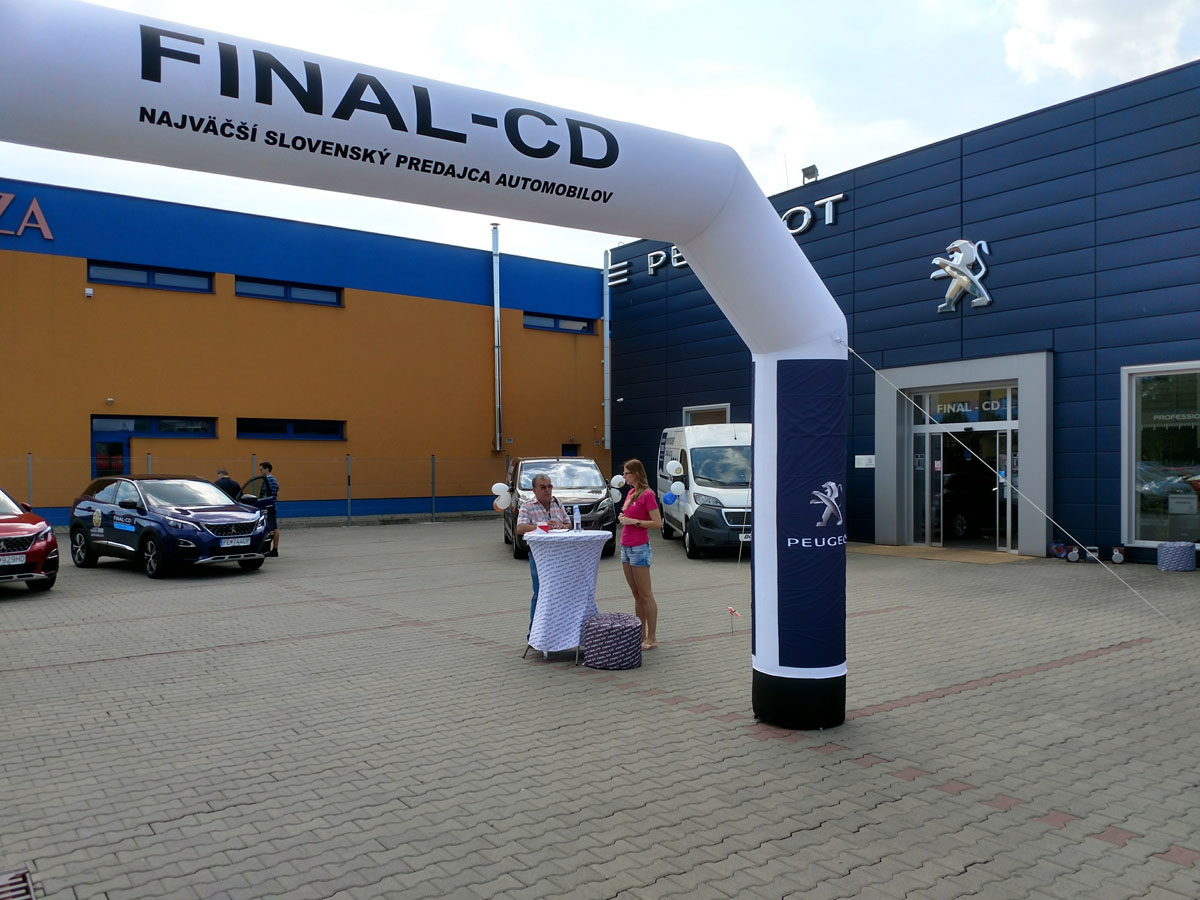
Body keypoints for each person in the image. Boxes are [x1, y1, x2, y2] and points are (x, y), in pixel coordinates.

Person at [515, 472, 570, 629]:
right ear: (534, 490)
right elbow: (520, 528)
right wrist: (544, 526)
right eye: (543, 487)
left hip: (560, 554)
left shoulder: (557, 503)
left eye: (549, 486)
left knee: (559, 592)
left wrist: (563, 526)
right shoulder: (528, 506)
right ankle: (534, 632)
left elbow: (569, 523)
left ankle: (556, 629)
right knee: (541, 593)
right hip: (540, 556)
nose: (547, 490)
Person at [618, 459, 661, 650]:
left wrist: (634, 521)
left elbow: (657, 523)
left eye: (627, 473)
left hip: (639, 547)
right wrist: (623, 518)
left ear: (635, 474)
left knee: (645, 594)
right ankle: (640, 635)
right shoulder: (631, 492)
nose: (624, 476)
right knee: (636, 594)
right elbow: (627, 516)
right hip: (626, 546)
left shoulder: (647, 494)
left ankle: (652, 637)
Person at [259, 461, 280, 557]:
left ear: (266, 469)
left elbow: (264, 494)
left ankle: (266, 548)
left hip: (268, 507)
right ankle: (275, 549)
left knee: (268, 528)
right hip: (273, 505)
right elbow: (277, 491)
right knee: (274, 528)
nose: (260, 471)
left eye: (261, 469)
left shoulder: (267, 480)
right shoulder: (274, 480)